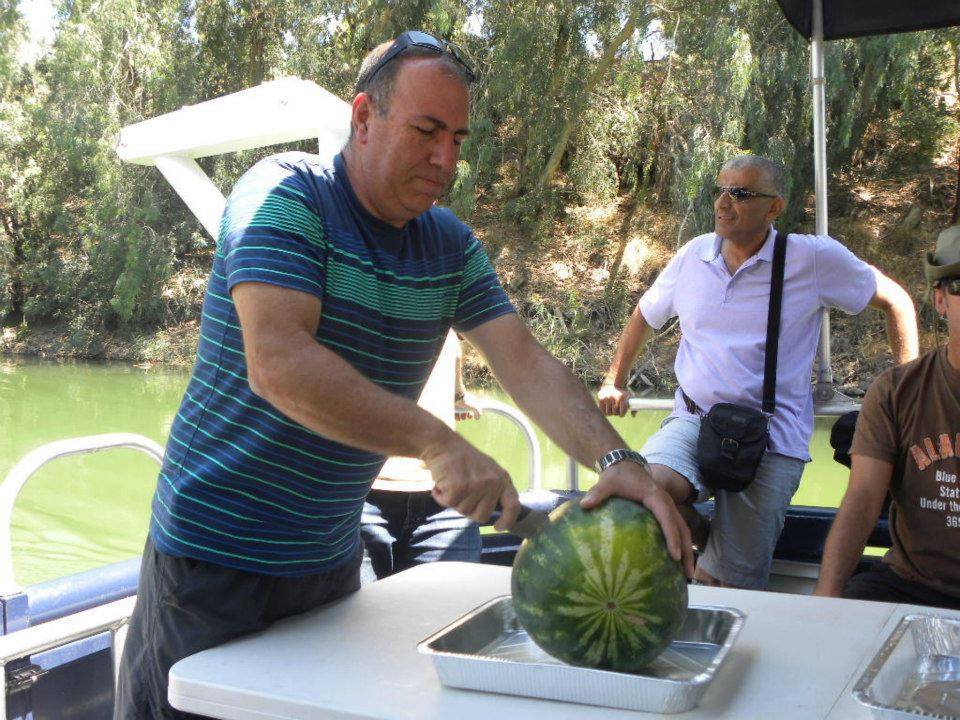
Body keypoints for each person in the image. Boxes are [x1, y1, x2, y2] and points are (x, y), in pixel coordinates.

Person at [115, 30, 693, 720]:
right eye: (426, 131)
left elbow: (528, 365)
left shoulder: (448, 246)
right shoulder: (286, 197)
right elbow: (279, 365)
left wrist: (619, 459)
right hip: (211, 564)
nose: (446, 158)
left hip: (327, 568)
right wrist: (437, 441)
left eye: (458, 138)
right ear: (363, 117)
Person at [598, 154, 918, 590]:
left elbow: (896, 300)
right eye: (721, 190)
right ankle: (708, 536)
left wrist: (909, 394)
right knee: (643, 493)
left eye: (741, 193)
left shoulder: (812, 259)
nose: (723, 203)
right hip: (693, 420)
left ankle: (724, 558)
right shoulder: (694, 255)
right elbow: (644, 314)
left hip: (772, 438)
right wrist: (614, 379)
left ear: (774, 208)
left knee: (722, 587)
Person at [814, 226, 960, 610]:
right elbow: (862, 502)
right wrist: (824, 603)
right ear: (941, 299)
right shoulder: (896, 392)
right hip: (910, 583)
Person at [361, 331, 485, 582]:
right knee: (354, 617)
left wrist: (458, 398)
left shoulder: (444, 300)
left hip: (445, 501)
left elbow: (452, 352)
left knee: (450, 618)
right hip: (359, 498)